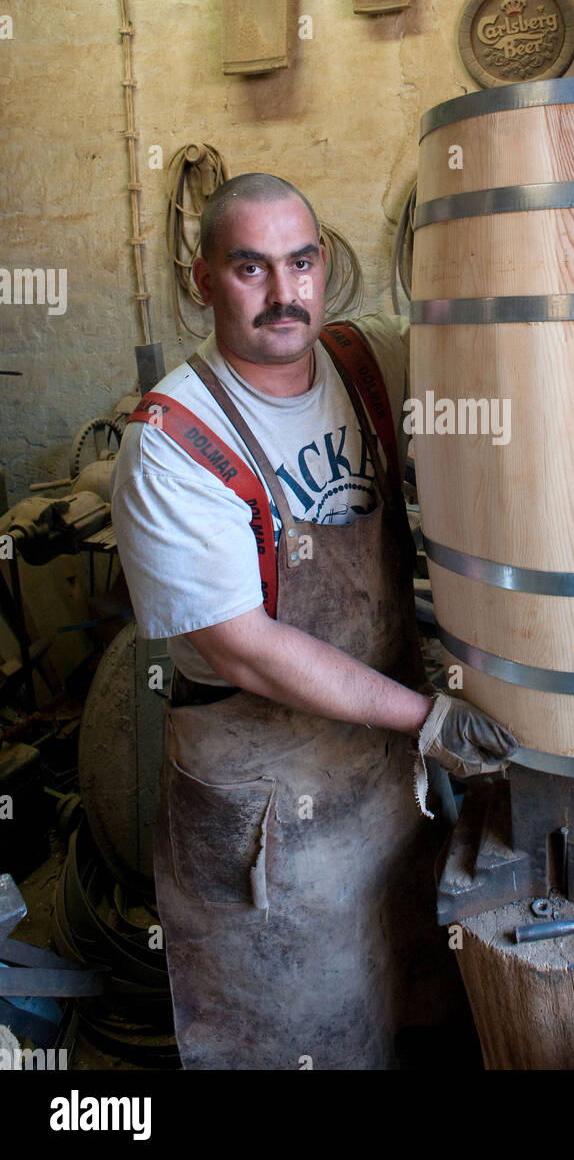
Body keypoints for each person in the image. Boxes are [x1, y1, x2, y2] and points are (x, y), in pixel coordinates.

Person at [109, 172, 517, 1070]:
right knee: (301, 1040)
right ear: (200, 279)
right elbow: (244, 649)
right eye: (249, 267)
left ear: (323, 263)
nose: (283, 292)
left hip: (380, 787)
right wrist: (430, 715)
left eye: (299, 261)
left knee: (411, 1000)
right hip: (268, 819)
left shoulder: (368, 364)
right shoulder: (174, 443)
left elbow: (497, 387)